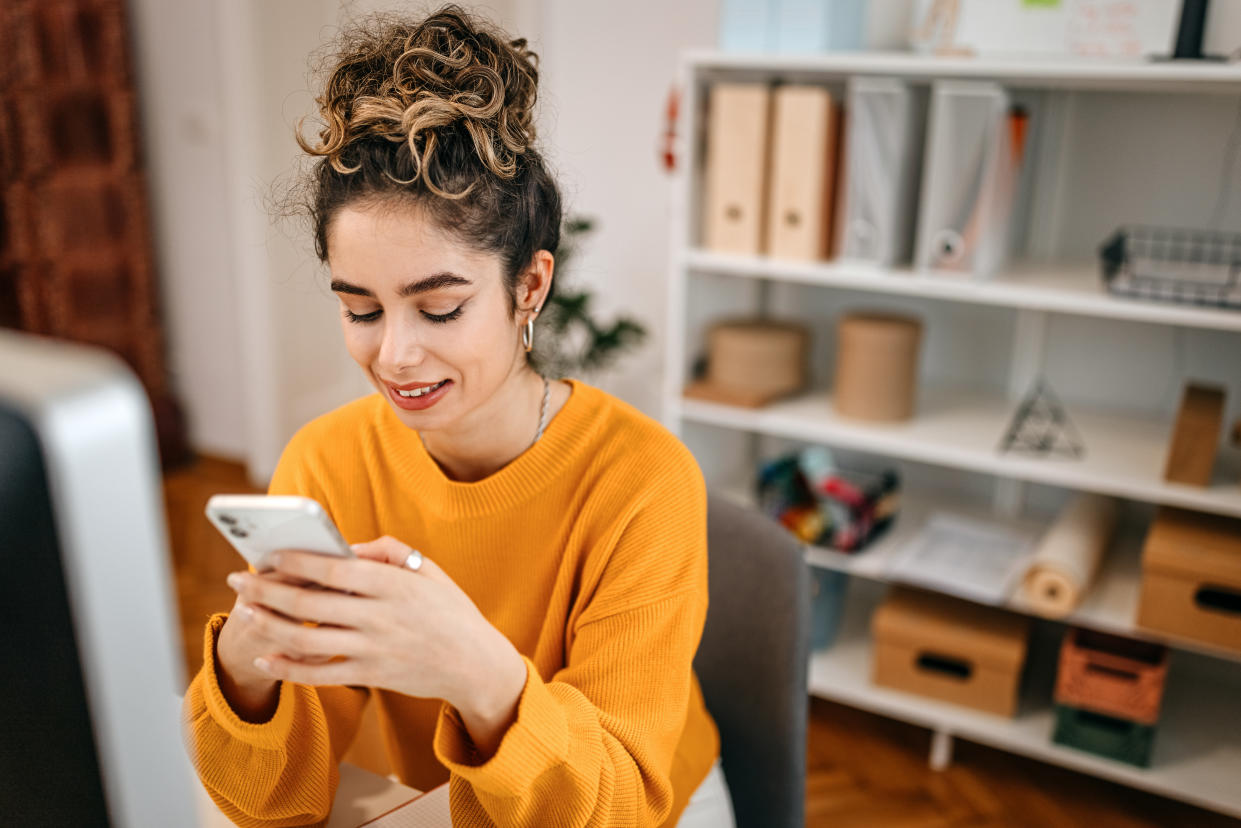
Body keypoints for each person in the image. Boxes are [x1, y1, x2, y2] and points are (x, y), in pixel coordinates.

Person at [180, 6, 736, 827]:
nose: (395, 356)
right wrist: (246, 667)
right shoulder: (327, 464)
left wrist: (478, 672)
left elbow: (619, 800)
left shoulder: (642, 481)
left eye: (439, 309)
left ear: (529, 288)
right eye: (362, 310)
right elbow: (276, 804)